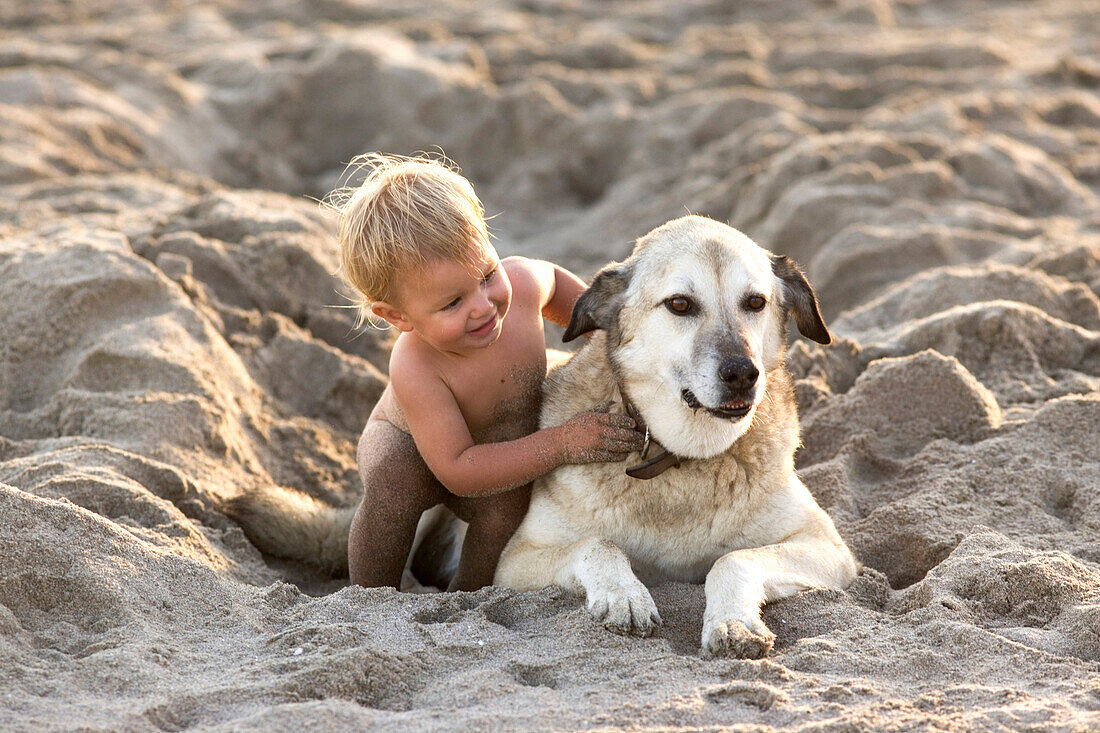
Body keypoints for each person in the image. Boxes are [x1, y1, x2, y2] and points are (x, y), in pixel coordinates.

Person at [329, 153, 643, 592]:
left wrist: (610, 336)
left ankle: (470, 596)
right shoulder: (416, 364)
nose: (483, 305)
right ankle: (368, 596)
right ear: (398, 316)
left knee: (507, 500)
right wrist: (563, 442)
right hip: (423, 450)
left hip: (499, 450)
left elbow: (559, 287)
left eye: (487, 274)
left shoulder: (524, 284)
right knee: (394, 482)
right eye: (452, 303)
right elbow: (458, 468)